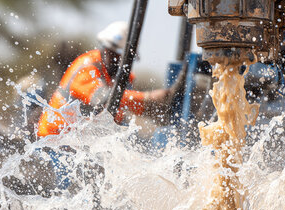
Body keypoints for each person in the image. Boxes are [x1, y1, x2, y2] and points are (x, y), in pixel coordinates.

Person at [37, 21, 179, 137]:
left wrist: (156, 111)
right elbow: (102, 98)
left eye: (120, 57)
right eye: (112, 54)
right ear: (105, 50)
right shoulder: (86, 67)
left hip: (77, 141)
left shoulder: (119, 77)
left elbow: (120, 110)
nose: (115, 59)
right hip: (54, 140)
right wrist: (148, 99)